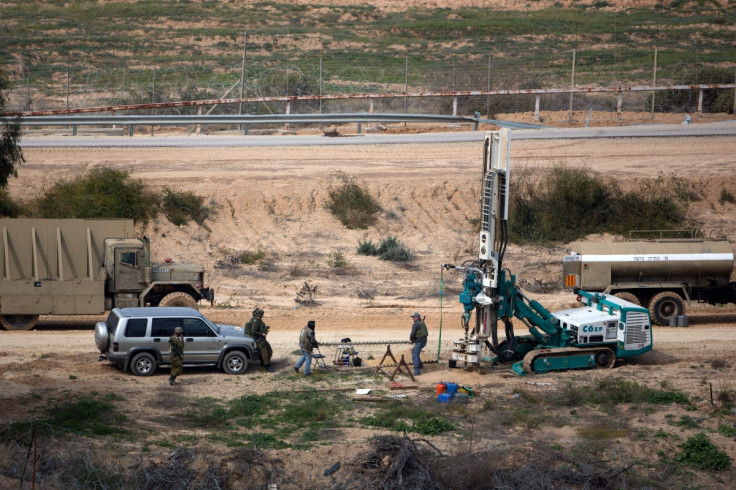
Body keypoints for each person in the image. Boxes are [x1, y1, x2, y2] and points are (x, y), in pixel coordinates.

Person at [244, 308, 274, 372]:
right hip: (259, 340)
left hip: (261, 339)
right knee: (265, 352)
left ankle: (264, 363)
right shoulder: (255, 321)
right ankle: (266, 365)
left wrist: (265, 328)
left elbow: (259, 328)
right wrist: (262, 333)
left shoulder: (257, 320)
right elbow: (253, 331)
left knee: (269, 351)